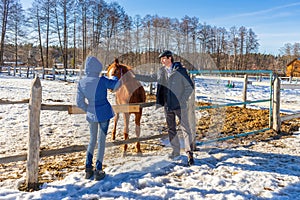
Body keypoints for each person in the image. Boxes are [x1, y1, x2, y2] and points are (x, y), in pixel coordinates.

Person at [133, 50, 195, 166]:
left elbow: (189, 86)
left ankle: (189, 153)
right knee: (171, 129)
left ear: (169, 58)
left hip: (180, 106)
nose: (161, 60)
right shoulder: (161, 71)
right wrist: (135, 76)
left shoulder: (180, 71)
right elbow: (150, 78)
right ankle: (176, 151)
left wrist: (182, 99)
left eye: (163, 58)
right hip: (167, 105)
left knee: (185, 129)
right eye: (161, 59)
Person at [76, 56, 120, 180]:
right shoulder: (102, 80)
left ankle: (87, 169)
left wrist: (89, 110)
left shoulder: (82, 82)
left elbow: (79, 102)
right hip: (104, 114)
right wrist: (114, 77)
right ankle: (98, 170)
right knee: (101, 142)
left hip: (91, 115)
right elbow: (116, 84)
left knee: (92, 141)